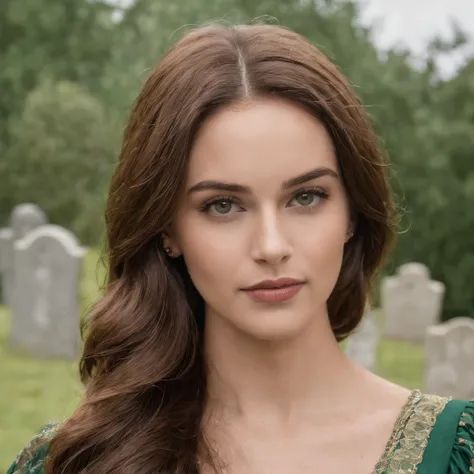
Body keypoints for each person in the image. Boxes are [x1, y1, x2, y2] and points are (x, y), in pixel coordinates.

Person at [7, 23, 473, 474]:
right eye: (223, 205)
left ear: (352, 212)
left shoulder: (459, 453)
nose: (272, 246)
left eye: (306, 197)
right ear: (167, 230)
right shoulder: (76, 460)